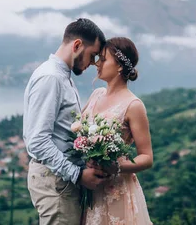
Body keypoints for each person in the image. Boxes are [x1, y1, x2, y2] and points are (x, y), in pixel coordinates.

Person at [23, 18, 109, 224]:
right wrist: (78, 175)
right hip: (56, 183)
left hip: (61, 181)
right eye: (92, 55)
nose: (93, 63)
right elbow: (37, 141)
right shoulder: (51, 78)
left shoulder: (63, 77)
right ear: (77, 45)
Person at [81, 37, 153, 225]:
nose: (97, 64)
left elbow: (146, 156)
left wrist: (117, 166)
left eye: (103, 59)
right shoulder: (95, 95)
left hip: (116, 191)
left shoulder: (133, 105)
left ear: (120, 66)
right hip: (89, 189)